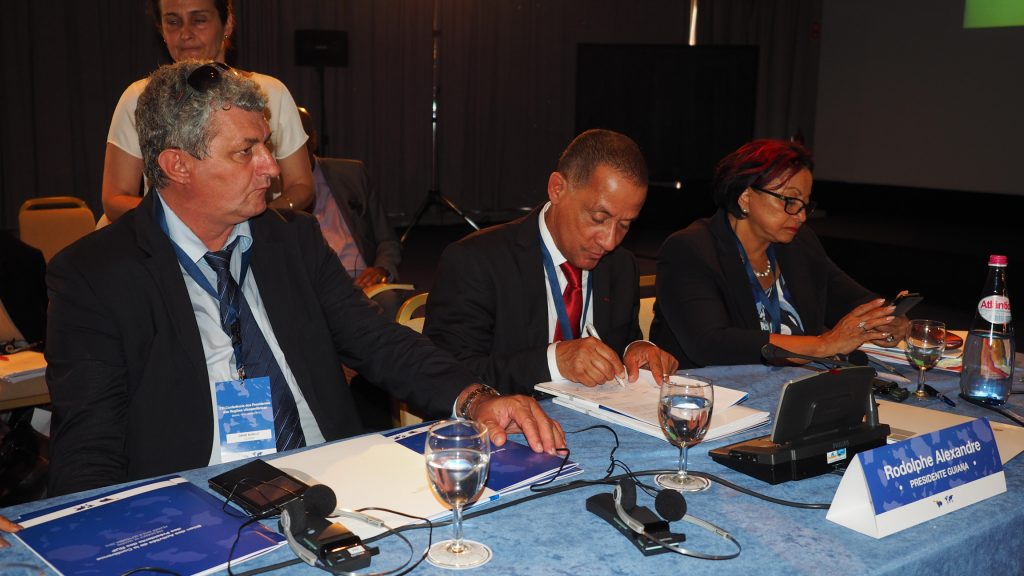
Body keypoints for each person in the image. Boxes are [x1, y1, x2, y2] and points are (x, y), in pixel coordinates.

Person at [39, 60, 564, 500]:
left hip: (334, 481)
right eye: (246, 151)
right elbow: (89, 447)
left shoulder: (290, 239)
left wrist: (475, 399)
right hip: (200, 500)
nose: (272, 168)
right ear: (177, 165)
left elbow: (377, 341)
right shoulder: (94, 275)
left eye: (267, 146)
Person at [425, 129, 678, 396]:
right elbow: (446, 375)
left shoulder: (621, 266)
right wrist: (554, 362)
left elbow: (623, 339)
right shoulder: (477, 261)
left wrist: (635, 350)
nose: (609, 241)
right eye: (598, 218)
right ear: (557, 189)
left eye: (625, 224)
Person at [650, 139, 907, 368]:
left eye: (805, 204)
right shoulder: (691, 249)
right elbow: (710, 343)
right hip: (710, 394)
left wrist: (888, 320)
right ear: (745, 197)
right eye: (790, 201)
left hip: (792, 389)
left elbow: (852, 300)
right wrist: (823, 345)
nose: (801, 216)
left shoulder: (799, 244)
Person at [100, 0, 313, 224]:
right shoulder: (139, 97)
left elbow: (301, 185)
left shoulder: (271, 92)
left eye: (199, 20)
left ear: (227, 23)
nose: (185, 34)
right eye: (173, 22)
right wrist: (192, 222)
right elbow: (114, 199)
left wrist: (255, 221)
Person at [297, 107, 401, 294]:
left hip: (363, 283)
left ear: (313, 139)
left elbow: (388, 240)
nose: (293, 146)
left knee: (389, 302)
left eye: (298, 136)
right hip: (313, 290)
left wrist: (381, 268)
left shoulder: (352, 175)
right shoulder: (269, 191)